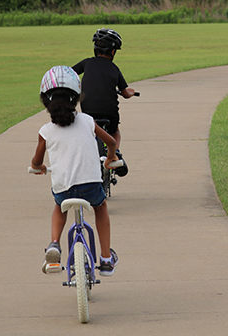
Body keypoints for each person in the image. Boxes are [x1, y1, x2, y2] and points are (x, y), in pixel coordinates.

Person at [31, 65, 119, 276]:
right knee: (101, 207)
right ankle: (106, 258)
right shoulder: (88, 121)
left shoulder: (45, 131)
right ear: (76, 98)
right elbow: (110, 141)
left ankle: (54, 245)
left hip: (64, 189)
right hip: (90, 186)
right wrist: (111, 157)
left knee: (59, 206)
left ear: (46, 100)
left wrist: (39, 167)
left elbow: (36, 161)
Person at [72, 28, 136, 177]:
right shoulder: (114, 69)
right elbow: (125, 93)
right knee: (115, 131)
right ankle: (116, 154)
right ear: (113, 52)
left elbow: (70, 72)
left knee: (89, 129)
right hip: (109, 111)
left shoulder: (87, 63)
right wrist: (132, 92)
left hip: (89, 110)